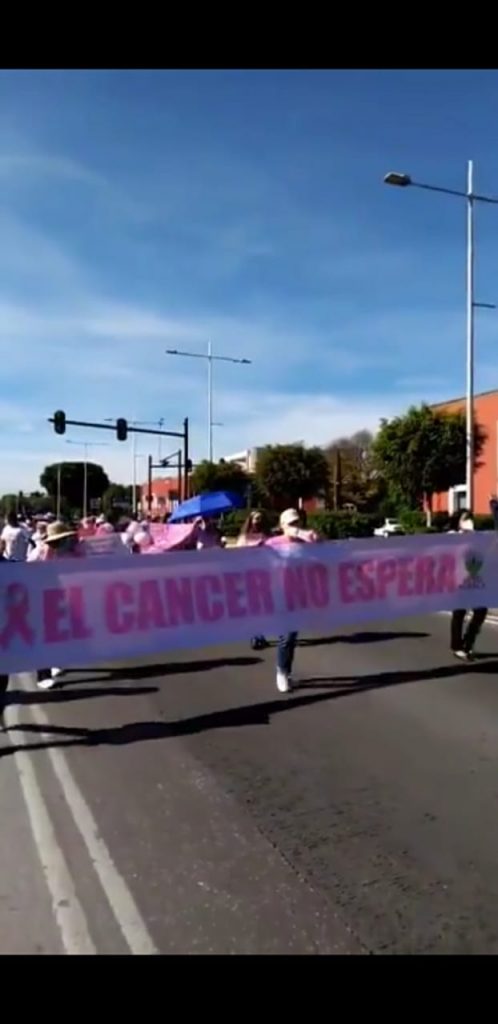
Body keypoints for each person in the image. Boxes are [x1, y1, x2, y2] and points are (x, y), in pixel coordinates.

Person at [266, 508, 319, 693]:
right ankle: (281, 672)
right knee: (286, 636)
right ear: (282, 526)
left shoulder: (306, 542)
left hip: (300, 594)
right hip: (279, 593)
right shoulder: (273, 543)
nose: (295, 526)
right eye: (291, 523)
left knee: (292, 636)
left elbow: (327, 552)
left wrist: (311, 538)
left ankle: (286, 671)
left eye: (298, 522)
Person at [30, 520, 84, 689]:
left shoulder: (69, 553)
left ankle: (55, 661)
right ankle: (42, 675)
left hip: (61, 596)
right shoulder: (39, 552)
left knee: (58, 632)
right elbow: (27, 570)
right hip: (40, 597)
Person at [449, 509, 488, 661]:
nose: (468, 521)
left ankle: (468, 642)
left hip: (475, 579)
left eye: (470, 518)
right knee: (459, 612)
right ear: (458, 521)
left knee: (481, 611)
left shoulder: (476, 535)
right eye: (465, 518)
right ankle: (457, 647)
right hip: (458, 580)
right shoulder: (453, 536)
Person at [237, 511, 270, 650]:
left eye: (260, 518)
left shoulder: (266, 535)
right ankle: (254, 636)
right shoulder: (244, 537)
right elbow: (239, 554)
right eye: (256, 518)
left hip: (264, 574)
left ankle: (261, 635)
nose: (258, 521)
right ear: (250, 520)